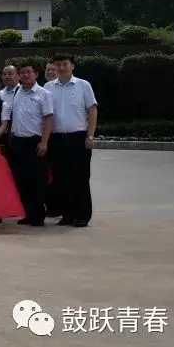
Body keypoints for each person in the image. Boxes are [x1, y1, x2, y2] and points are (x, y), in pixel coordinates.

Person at [0, 64, 53, 226]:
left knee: (37, 180)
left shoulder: (43, 94)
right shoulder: (16, 92)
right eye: (22, 72)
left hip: (35, 142)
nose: (25, 75)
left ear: (35, 74)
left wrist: (44, 142)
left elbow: (49, 118)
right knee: (21, 179)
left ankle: (38, 215)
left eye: (28, 72)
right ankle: (27, 213)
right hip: (18, 142)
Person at [46, 54, 98, 228]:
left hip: (78, 138)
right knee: (61, 179)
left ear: (72, 66)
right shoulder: (48, 87)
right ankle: (67, 215)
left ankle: (82, 215)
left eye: (65, 64)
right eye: (58, 64)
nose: (61, 67)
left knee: (80, 178)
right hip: (56, 139)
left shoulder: (83, 85)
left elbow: (92, 110)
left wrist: (90, 135)